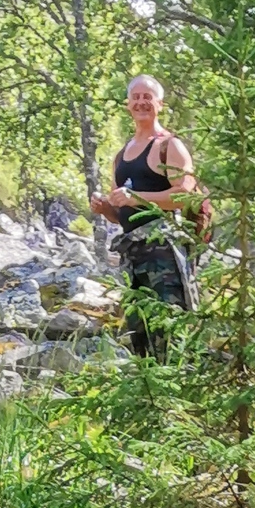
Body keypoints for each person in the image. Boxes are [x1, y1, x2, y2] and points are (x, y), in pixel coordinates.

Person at [91, 75, 199, 358]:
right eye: (136, 97)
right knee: (138, 333)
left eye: (147, 97)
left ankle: (178, 392)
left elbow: (186, 193)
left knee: (171, 329)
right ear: (128, 104)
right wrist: (107, 209)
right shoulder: (121, 155)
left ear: (160, 104)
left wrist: (137, 197)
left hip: (165, 252)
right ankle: (146, 392)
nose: (141, 103)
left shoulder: (169, 146)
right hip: (133, 256)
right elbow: (123, 214)